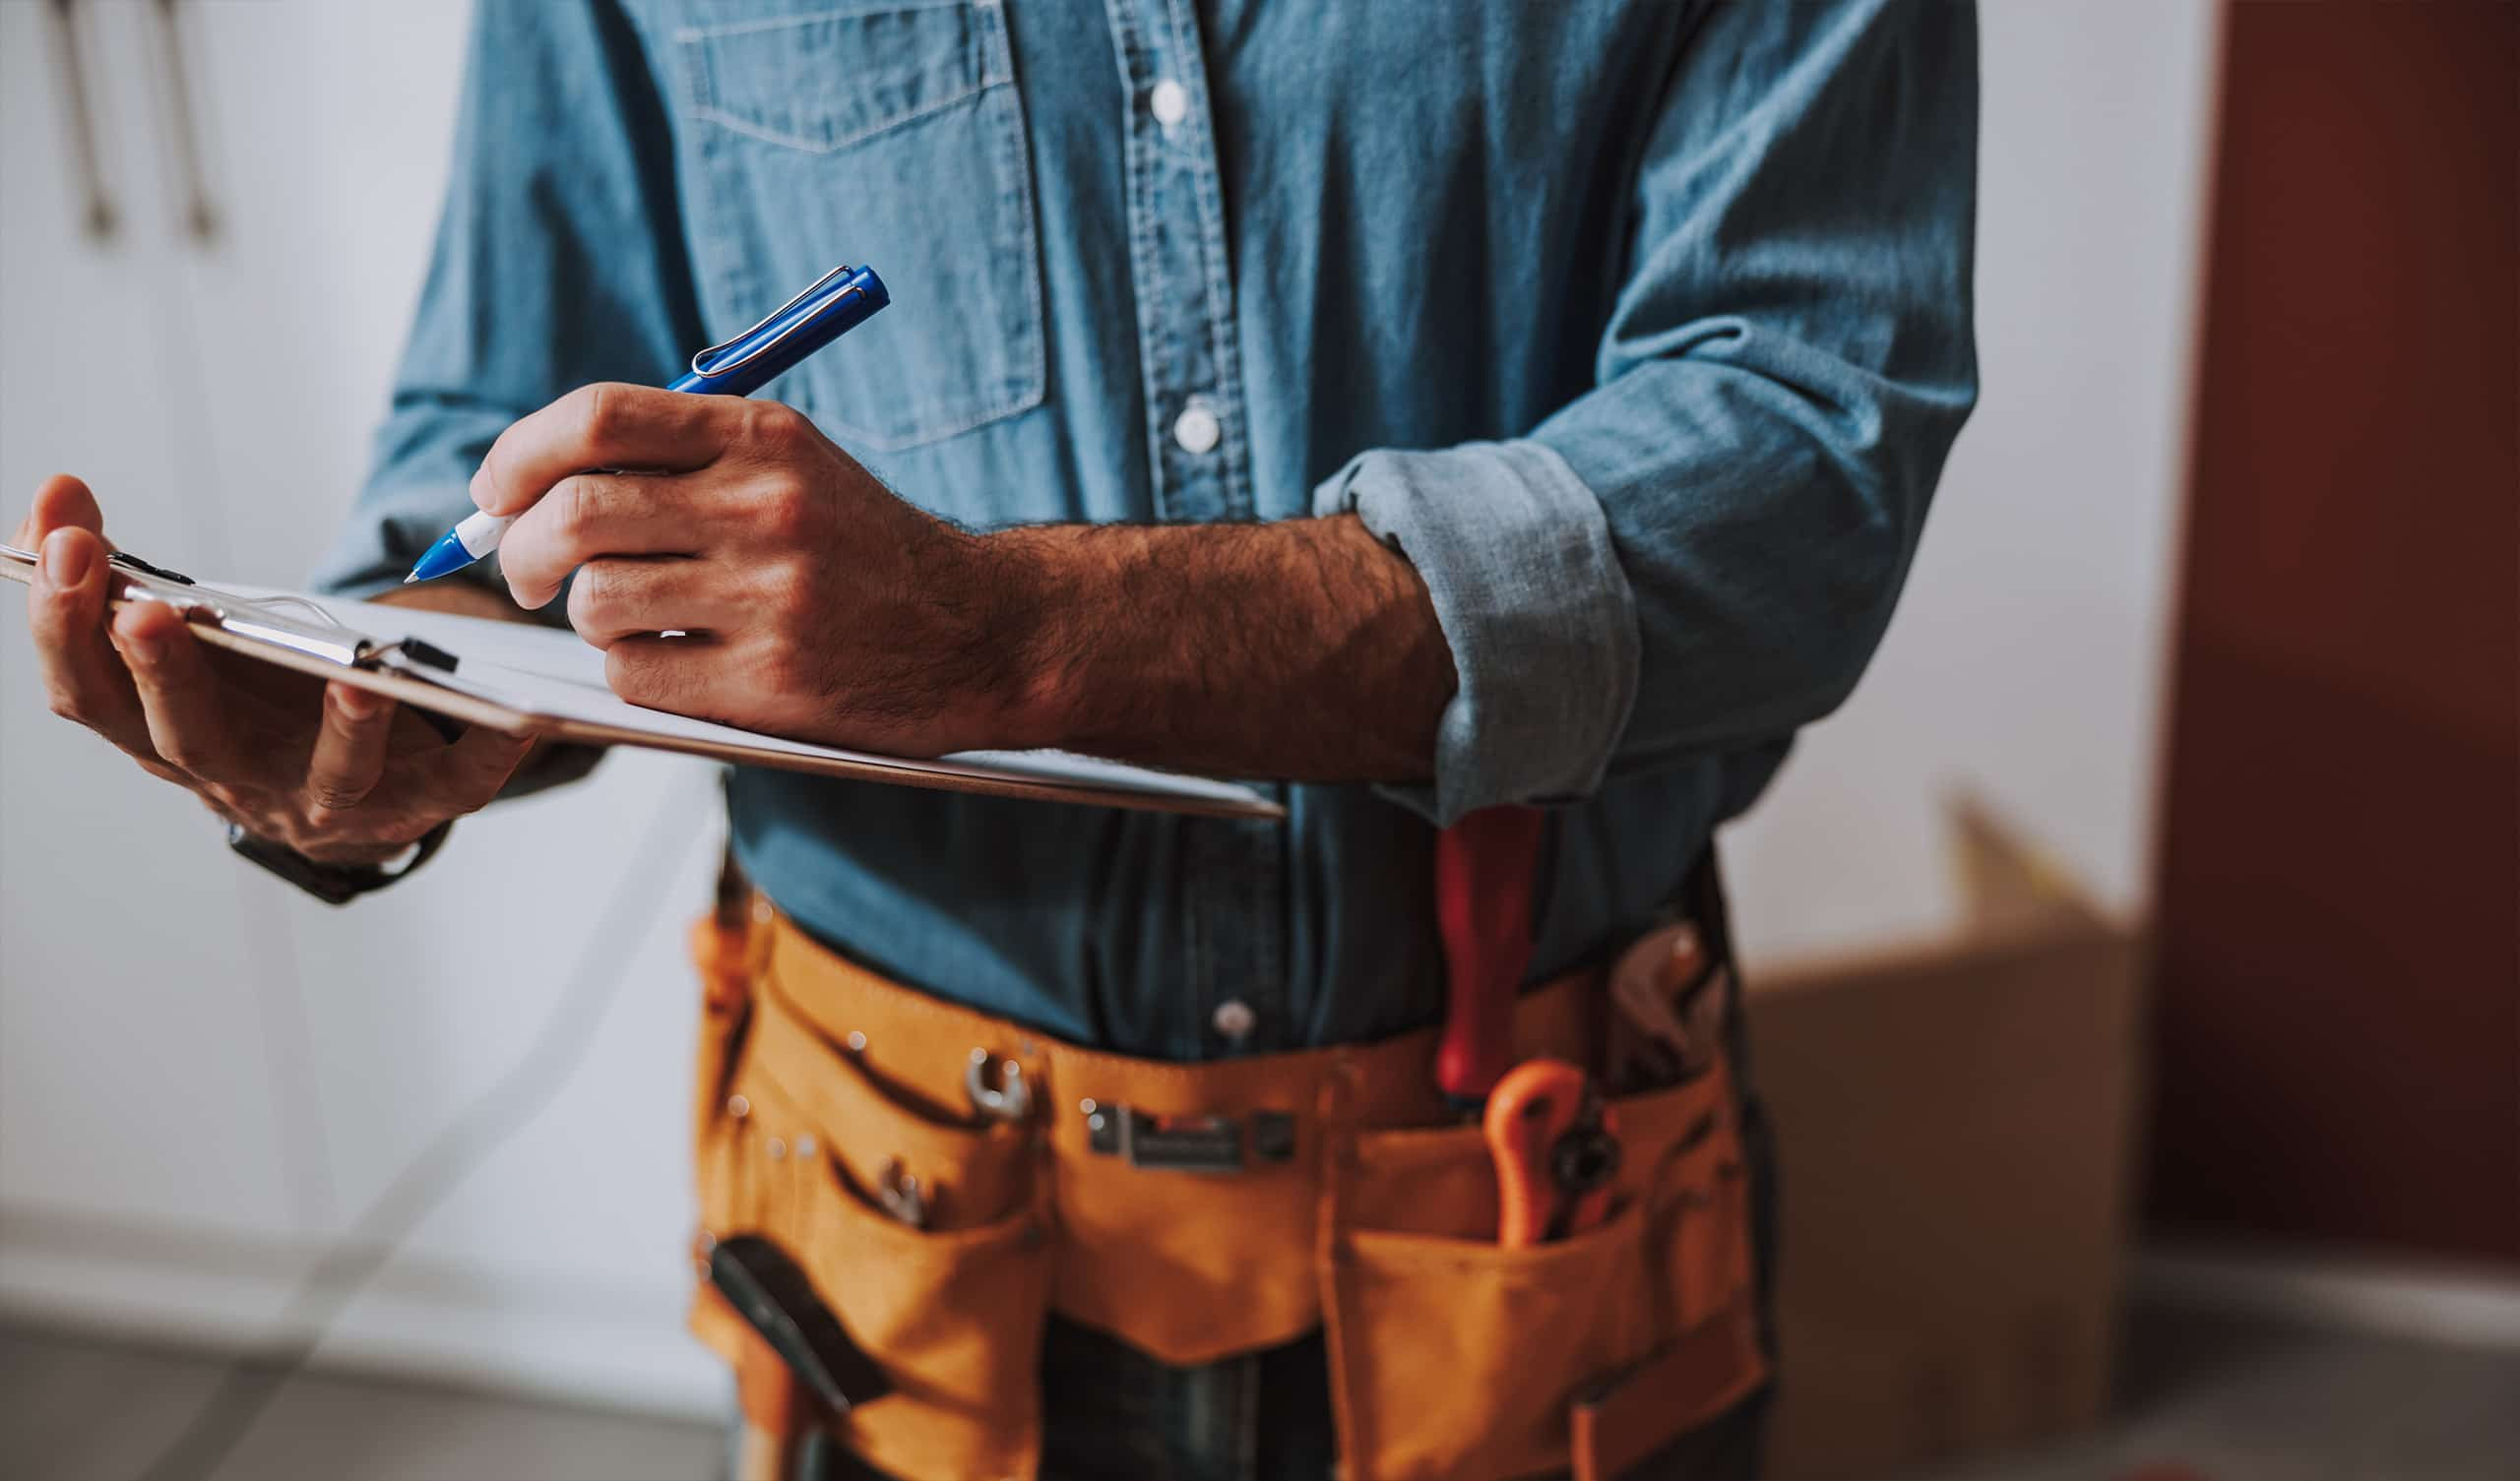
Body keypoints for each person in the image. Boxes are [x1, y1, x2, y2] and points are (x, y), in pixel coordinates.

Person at [15, 0, 1977, 1475]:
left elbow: (1798, 469)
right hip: (896, 1254)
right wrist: (405, 693)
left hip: (1534, 1207)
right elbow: (504, 462)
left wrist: (1012, 632)